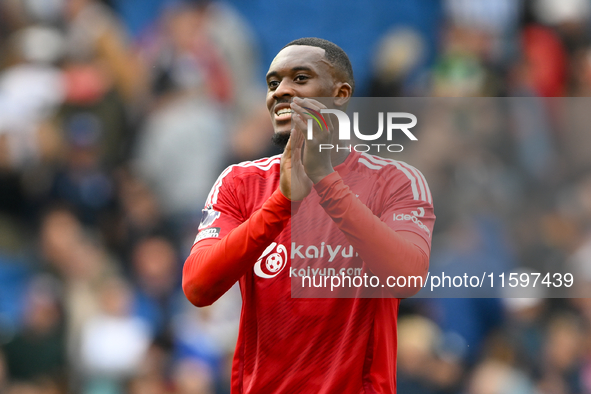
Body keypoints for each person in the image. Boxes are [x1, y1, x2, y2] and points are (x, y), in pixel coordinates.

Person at [182, 37, 435, 393]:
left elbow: (406, 277)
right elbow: (197, 286)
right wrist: (282, 203)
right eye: (273, 84)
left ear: (341, 94)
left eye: (300, 79)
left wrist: (326, 181)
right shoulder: (240, 182)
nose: (281, 92)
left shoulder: (394, 182)